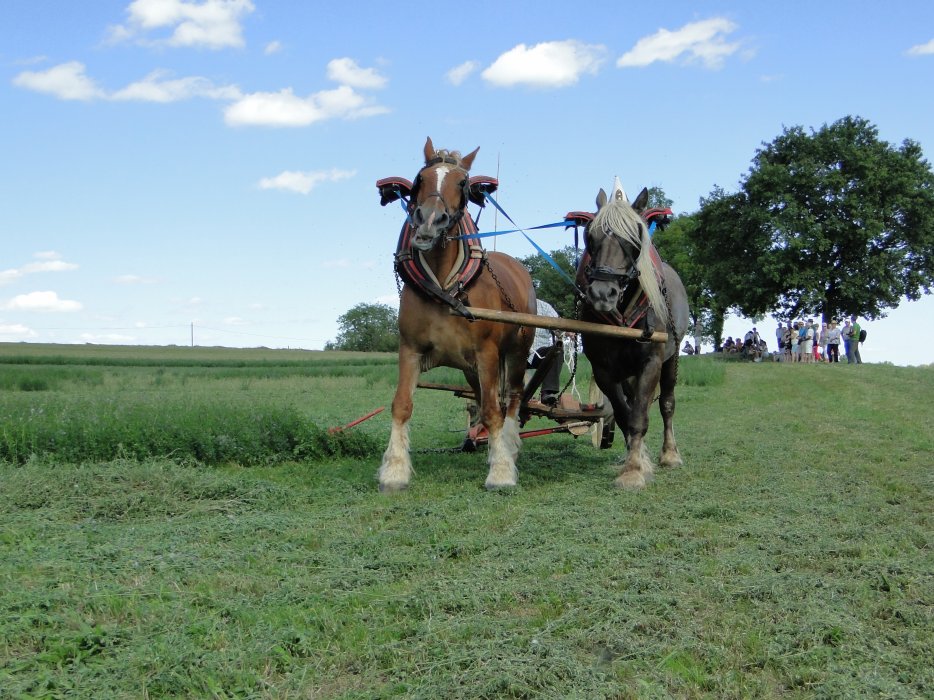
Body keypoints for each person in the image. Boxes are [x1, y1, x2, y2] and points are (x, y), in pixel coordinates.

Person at [528, 298, 562, 405]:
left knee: (558, 350)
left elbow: (559, 325)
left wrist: (564, 331)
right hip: (515, 351)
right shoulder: (510, 302)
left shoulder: (544, 306)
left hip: (538, 352)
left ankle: (547, 393)